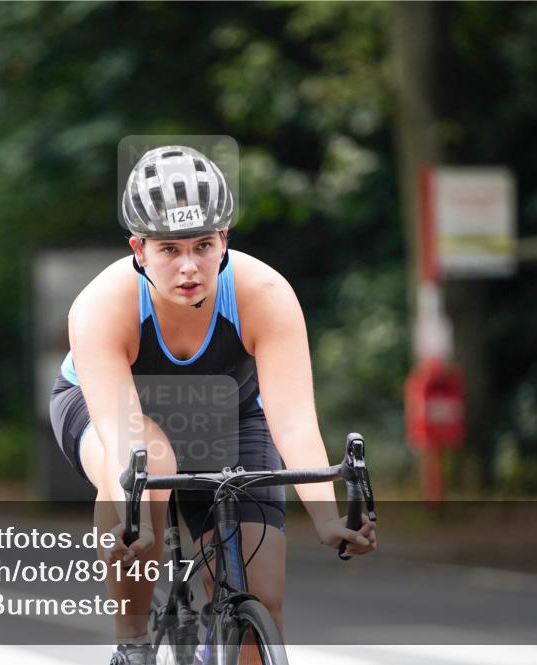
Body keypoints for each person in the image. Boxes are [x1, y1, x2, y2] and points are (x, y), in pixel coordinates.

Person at [49, 145, 377, 664]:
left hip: (229, 413)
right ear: (139, 249)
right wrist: (135, 522)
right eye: (169, 250)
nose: (189, 267)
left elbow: (291, 418)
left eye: (203, 245)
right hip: (109, 414)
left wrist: (326, 518)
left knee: (261, 594)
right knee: (149, 465)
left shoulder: (263, 292)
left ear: (225, 239)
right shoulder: (100, 305)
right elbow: (121, 439)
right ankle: (132, 641)